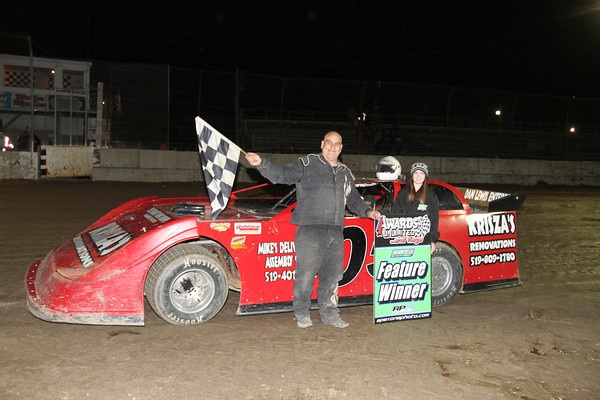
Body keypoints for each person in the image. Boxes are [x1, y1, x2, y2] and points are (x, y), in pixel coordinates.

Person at [245, 131, 381, 329]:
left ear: (341, 148)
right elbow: (281, 175)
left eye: (337, 144)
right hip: (310, 230)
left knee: (333, 277)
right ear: (322, 144)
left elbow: (353, 201)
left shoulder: (345, 173)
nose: (332, 147)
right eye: (329, 143)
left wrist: (368, 212)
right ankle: (301, 313)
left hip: (335, 232)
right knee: (305, 275)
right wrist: (261, 164)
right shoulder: (307, 164)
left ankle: (329, 314)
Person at [391, 162, 439, 253]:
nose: (418, 176)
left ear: (425, 176)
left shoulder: (431, 196)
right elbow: (395, 215)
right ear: (412, 175)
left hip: (423, 240)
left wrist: (432, 240)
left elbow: (434, 219)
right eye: (416, 173)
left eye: (422, 173)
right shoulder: (402, 194)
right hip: (404, 240)